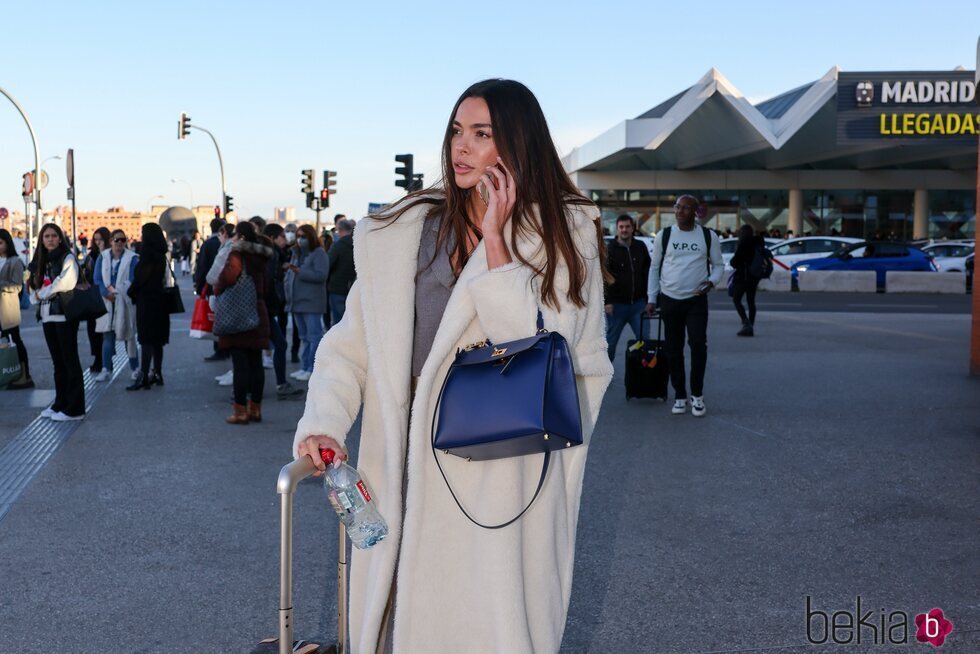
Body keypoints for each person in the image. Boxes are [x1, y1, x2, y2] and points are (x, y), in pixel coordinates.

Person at [293, 79, 613, 654]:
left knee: (482, 625)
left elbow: (540, 361)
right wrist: (324, 421)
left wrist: (496, 246)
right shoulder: (406, 232)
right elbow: (350, 345)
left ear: (516, 143)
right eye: (457, 131)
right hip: (401, 466)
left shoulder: (564, 234)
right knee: (395, 621)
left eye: (482, 134)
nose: (461, 147)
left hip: (496, 475)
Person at [646, 194, 723, 417]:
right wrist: (652, 298)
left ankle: (697, 395)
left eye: (685, 208)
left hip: (696, 300)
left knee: (698, 346)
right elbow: (654, 268)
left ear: (696, 212)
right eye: (677, 207)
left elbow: (718, 266)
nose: (680, 211)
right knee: (673, 350)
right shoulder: (665, 235)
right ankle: (680, 395)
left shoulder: (708, 236)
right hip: (669, 299)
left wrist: (711, 281)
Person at [213, 221, 273, 424]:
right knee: (256, 364)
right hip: (257, 310)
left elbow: (227, 277)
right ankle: (255, 409)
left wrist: (217, 288)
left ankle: (240, 411)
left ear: (242, 237)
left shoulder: (237, 254)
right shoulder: (262, 255)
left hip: (238, 313)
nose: (234, 237)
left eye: (236, 233)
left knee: (240, 365)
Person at [28, 223, 85, 420]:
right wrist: (36, 295)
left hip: (64, 315)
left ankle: (75, 408)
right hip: (47, 316)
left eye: (54, 235)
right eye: (46, 236)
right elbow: (31, 285)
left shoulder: (67, 257)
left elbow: (65, 282)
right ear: (41, 240)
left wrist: (41, 294)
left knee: (70, 361)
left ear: (60, 238)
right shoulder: (40, 261)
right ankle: (60, 403)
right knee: (58, 363)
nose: (50, 239)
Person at [126, 223, 171, 390]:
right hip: (160, 300)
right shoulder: (161, 254)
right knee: (158, 340)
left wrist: (131, 291)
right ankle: (157, 373)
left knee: (146, 339)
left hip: (147, 301)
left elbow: (141, 278)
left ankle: (144, 376)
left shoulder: (147, 255)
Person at [93, 229, 140, 381]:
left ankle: (135, 367)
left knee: (129, 335)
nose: (119, 243)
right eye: (116, 240)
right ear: (111, 241)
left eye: (123, 240)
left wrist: (117, 292)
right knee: (107, 336)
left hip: (124, 301)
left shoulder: (133, 258)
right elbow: (97, 279)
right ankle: (106, 368)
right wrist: (106, 293)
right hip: (106, 302)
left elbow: (133, 279)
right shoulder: (103, 257)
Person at [262, 223, 303, 399]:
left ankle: (252, 389)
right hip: (265, 307)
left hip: (263, 307)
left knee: (274, 344)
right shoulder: (271, 255)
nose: (285, 240)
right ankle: (280, 384)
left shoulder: (270, 254)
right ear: (273, 238)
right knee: (280, 343)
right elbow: (269, 282)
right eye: (282, 237)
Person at [604, 214, 651, 361]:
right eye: (621, 227)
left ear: (633, 228)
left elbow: (648, 273)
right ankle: (604, 376)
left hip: (638, 305)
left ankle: (642, 372)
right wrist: (607, 301)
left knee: (644, 341)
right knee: (610, 344)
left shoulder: (640, 247)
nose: (624, 230)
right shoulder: (609, 249)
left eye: (627, 227)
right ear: (617, 229)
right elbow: (604, 277)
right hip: (616, 307)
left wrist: (650, 300)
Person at [284, 224, 327, 382]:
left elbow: (321, 275)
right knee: (304, 337)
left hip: (312, 302)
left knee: (313, 336)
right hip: (297, 302)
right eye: (298, 236)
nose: (300, 239)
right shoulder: (296, 252)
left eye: (303, 236)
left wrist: (300, 272)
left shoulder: (319, 253)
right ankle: (305, 366)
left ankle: (313, 368)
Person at [0, 228, 34, 389]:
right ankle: (6, 372)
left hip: (7, 309)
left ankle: (24, 375)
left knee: (15, 340)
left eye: (0, 243)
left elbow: (17, 286)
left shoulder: (15, 261)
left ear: (7, 243)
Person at [195, 217, 229, 361]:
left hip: (212, 287)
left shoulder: (208, 244)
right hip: (227, 286)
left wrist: (199, 286)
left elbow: (202, 267)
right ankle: (227, 349)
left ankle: (219, 350)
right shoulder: (228, 244)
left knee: (216, 319)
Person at [80, 227, 111, 375]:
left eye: (101, 239)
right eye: (96, 239)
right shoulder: (91, 255)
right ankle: (98, 358)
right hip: (93, 297)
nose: (98, 242)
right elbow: (85, 273)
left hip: (106, 297)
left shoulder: (110, 255)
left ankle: (105, 360)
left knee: (106, 331)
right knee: (93, 331)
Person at [729, 224, 763, 337]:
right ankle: (751, 327)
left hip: (743, 277)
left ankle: (745, 321)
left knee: (736, 299)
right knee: (751, 302)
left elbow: (734, 262)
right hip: (754, 278)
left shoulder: (743, 244)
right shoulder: (758, 243)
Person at [326, 217, 356, 327]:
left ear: (340, 230)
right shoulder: (357, 244)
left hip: (337, 288)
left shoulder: (338, 246)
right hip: (352, 287)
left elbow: (328, 264)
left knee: (338, 322)